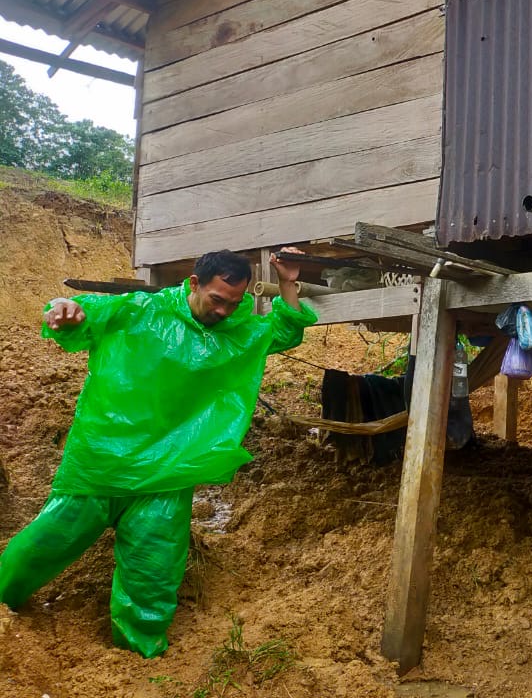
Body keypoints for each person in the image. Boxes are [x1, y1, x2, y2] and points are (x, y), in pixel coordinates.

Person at [0, 248, 316, 657]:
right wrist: (64, 308)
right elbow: (84, 313)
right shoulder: (141, 310)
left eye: (234, 302)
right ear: (194, 283)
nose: (223, 310)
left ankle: (139, 656)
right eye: (217, 299)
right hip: (102, 462)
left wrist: (288, 282)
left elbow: (285, 330)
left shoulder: (237, 332)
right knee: (42, 546)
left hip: (167, 475)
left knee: (153, 573)